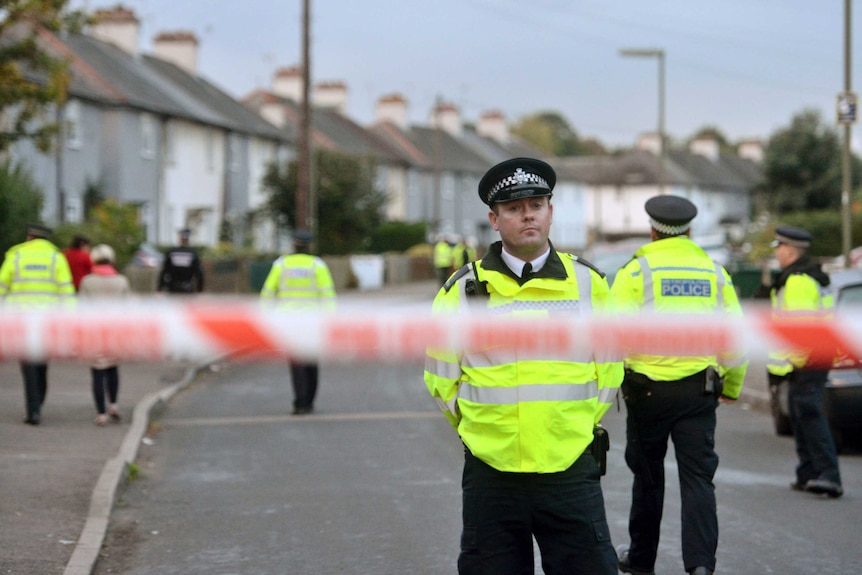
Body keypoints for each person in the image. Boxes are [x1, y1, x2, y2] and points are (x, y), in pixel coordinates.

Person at [423, 157, 623, 575]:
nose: (527, 214)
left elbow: (609, 369)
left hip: (569, 466)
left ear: (550, 211)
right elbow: (442, 380)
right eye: (513, 208)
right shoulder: (462, 291)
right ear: (494, 220)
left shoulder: (589, 284)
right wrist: (483, 431)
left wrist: (574, 424)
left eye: (536, 204)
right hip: (492, 473)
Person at [609, 195, 748, 575]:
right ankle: (701, 566)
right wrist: (732, 385)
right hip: (697, 393)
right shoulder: (714, 273)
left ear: (652, 230)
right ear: (689, 231)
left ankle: (640, 561)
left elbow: (611, 337)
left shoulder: (635, 273)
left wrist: (610, 385)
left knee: (648, 478)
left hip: (646, 394)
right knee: (699, 480)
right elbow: (735, 339)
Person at [764, 226, 842, 498]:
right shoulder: (807, 276)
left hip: (806, 360)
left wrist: (790, 365)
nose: (776, 252)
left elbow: (799, 328)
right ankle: (808, 472)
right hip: (814, 356)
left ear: (789, 250)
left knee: (808, 412)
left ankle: (828, 475)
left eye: (779, 247)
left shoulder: (797, 280)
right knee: (800, 413)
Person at [0, 223, 75, 425]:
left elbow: (2, 287)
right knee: (41, 365)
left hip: (20, 321)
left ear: (29, 237)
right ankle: (38, 405)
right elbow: (66, 292)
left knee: (28, 366)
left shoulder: (15, 256)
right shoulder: (56, 258)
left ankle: (33, 411)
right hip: (47, 322)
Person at [260, 230, 336, 415]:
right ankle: (309, 401)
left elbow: (268, 293)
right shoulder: (317, 265)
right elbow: (328, 295)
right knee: (311, 362)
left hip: (289, 322)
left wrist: (265, 317)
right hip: (313, 321)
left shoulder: (281, 264)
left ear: (293, 244)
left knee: (296, 363)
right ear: (310, 245)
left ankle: (300, 402)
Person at [79, 244, 132, 426]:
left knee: (97, 372)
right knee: (113, 368)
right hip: (115, 331)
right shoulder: (121, 281)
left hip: (94, 332)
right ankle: (114, 405)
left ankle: (101, 414)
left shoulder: (87, 281)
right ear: (111, 259)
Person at [158, 228, 204, 294]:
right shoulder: (193, 254)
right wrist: (200, 289)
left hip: (173, 288)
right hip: (188, 288)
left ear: (180, 238)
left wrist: (159, 288)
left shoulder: (171, 253)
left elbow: (164, 271)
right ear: (188, 240)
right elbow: (199, 273)